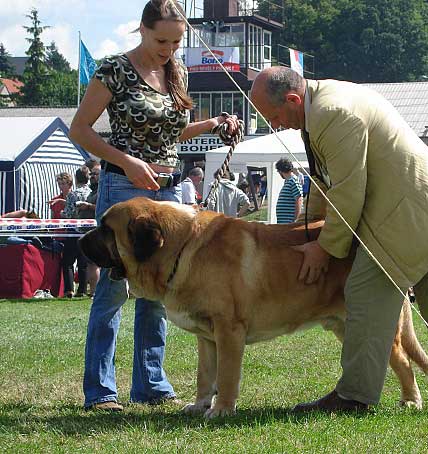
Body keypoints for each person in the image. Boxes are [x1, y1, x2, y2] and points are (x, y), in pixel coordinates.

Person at [250, 66, 428, 415]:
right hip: (425, 208)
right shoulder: (323, 102)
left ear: (291, 98)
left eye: (273, 116)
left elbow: (347, 191)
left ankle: (354, 397)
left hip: (407, 216)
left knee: (364, 294)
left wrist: (324, 247)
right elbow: (324, 182)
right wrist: (305, 230)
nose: (274, 125)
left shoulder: (332, 113)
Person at [69, 0, 240, 412]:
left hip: (167, 192)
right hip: (122, 191)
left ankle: (150, 383)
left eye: (177, 41)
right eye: (162, 39)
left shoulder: (174, 71)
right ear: (142, 29)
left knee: (159, 291)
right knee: (113, 291)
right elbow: (80, 129)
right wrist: (127, 161)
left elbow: (172, 133)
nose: (169, 48)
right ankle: (101, 391)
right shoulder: (113, 70)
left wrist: (215, 125)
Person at [62, 166, 92, 298]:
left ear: (75, 178)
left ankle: (69, 290)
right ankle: (83, 290)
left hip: (74, 231)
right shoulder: (92, 192)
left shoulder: (72, 194)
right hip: (88, 231)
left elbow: (68, 214)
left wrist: (62, 213)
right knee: (83, 263)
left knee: (68, 262)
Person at [76, 164, 101, 295]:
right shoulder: (92, 191)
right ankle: (93, 291)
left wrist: (88, 206)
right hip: (88, 231)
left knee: (94, 264)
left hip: (96, 231)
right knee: (90, 264)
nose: (92, 177)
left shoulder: (102, 191)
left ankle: (95, 292)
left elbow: (102, 208)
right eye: (91, 174)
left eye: (96, 174)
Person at [275, 157, 303, 223]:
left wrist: (295, 220)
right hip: (284, 222)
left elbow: (299, 200)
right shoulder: (288, 181)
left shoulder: (293, 181)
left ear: (281, 171)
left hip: (289, 223)